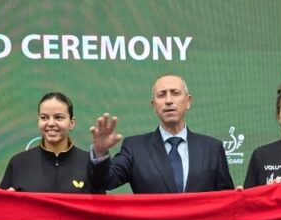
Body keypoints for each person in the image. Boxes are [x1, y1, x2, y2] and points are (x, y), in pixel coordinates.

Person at [89, 75, 234, 193]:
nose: (169, 101)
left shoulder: (212, 148)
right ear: (154, 105)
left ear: (188, 101)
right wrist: (100, 152)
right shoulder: (135, 148)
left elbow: (226, 199)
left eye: (175, 93)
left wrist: (237, 197)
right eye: (162, 95)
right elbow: (105, 181)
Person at [0, 92, 105, 193]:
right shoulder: (18, 163)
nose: (50, 123)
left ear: (72, 123)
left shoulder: (89, 164)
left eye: (58, 117)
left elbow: (100, 204)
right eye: (44, 117)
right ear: (38, 121)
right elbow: (0, 203)